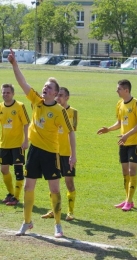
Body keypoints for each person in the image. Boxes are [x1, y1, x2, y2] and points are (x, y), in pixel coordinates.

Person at [8, 49, 76, 238]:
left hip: (50, 153)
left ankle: (58, 225)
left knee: (54, 188)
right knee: (29, 187)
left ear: (55, 94)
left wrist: (73, 155)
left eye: (49, 87)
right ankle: (27, 222)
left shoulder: (59, 110)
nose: (45, 88)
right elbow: (23, 83)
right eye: (45, 86)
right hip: (34, 152)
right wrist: (15, 64)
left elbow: (70, 132)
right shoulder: (36, 101)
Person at [97, 79, 137, 211]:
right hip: (123, 142)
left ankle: (129, 201)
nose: (116, 91)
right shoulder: (119, 104)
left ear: (126, 90)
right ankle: (127, 199)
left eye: (118, 89)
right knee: (125, 172)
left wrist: (127, 135)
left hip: (135, 142)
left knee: (132, 171)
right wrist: (108, 129)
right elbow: (119, 123)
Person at [41, 87, 78, 221]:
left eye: (61, 96)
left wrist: (73, 154)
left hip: (66, 153)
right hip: (53, 153)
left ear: (67, 97)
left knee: (69, 182)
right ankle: (53, 210)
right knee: (53, 184)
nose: (58, 98)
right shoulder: (52, 110)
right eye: (58, 95)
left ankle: (70, 211)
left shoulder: (73, 112)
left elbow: (71, 132)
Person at [0, 83, 30, 206]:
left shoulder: (19, 106)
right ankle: (11, 193)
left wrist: (26, 140)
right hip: (4, 144)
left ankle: (16, 197)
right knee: (4, 169)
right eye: (3, 92)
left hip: (18, 144)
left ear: (13, 94)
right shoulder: (0, 107)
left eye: (8, 92)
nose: (5, 94)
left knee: (18, 170)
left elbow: (26, 124)